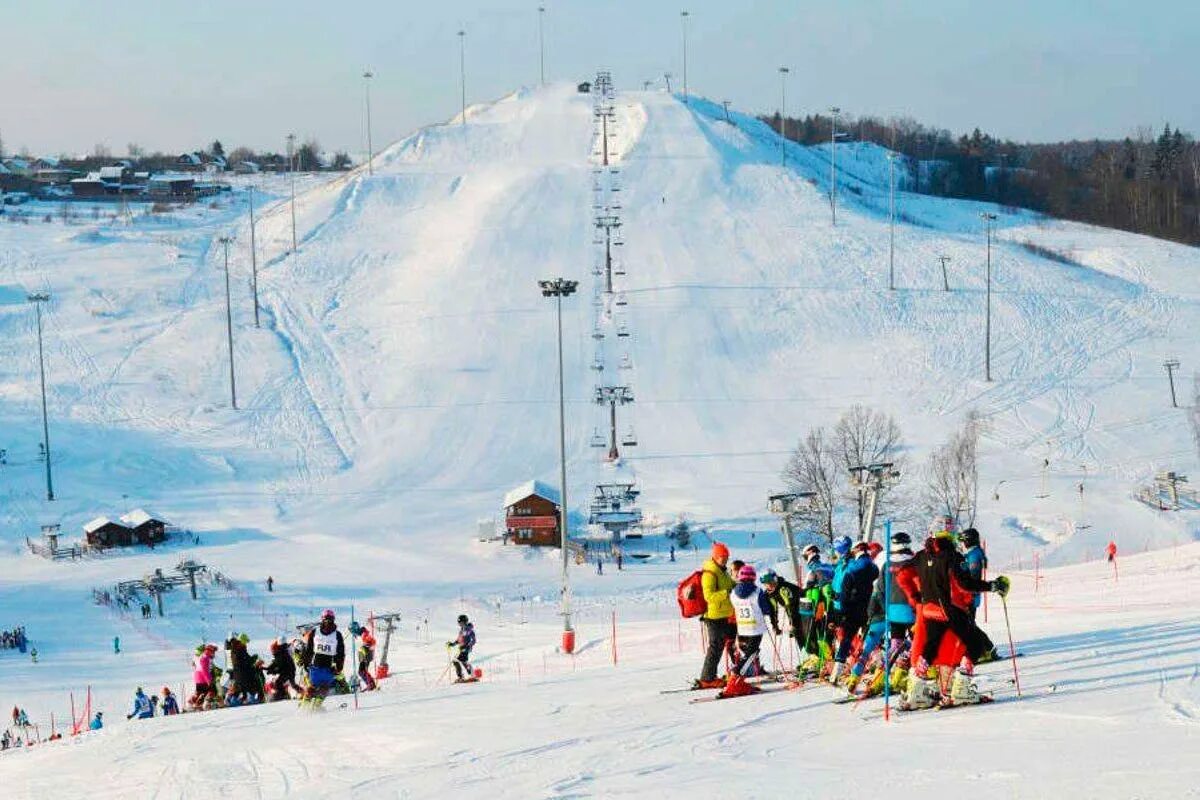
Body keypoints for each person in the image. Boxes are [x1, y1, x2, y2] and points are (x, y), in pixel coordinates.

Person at [909, 528, 1010, 707]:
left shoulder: (921, 556)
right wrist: (992, 586)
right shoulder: (952, 556)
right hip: (949, 609)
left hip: (929, 609)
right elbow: (965, 583)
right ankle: (961, 687)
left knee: (931, 648)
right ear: (948, 537)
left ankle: (917, 688)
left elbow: (905, 572)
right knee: (976, 643)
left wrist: (916, 595)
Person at [830, 541, 880, 685]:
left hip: (852, 607)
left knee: (846, 640)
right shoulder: (872, 566)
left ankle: (836, 674)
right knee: (870, 638)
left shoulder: (851, 566)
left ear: (856, 550)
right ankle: (875, 666)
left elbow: (845, 590)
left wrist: (843, 608)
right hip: (868, 606)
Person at [722, 565, 773, 697]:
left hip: (742, 627)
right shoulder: (757, 592)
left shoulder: (733, 593)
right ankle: (736, 676)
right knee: (751, 654)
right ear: (753, 578)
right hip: (755, 629)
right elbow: (766, 610)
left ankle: (739, 678)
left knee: (747, 654)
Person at [694, 542, 737, 689]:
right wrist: (727, 593)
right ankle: (707, 678)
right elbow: (709, 596)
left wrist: (738, 586)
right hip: (713, 616)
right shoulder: (710, 573)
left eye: (726, 557)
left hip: (723, 614)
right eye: (722, 557)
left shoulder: (722, 571)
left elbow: (731, 584)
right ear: (715, 557)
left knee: (720, 646)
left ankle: (711, 676)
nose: (725, 560)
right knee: (715, 646)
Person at [301, 609, 345, 705]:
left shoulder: (337, 635)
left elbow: (340, 653)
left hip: (328, 667)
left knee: (324, 688)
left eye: (330, 619)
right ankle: (305, 706)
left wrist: (339, 666)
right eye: (326, 619)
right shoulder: (315, 632)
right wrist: (306, 663)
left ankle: (316, 706)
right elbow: (309, 649)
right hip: (316, 666)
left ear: (333, 620)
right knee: (313, 687)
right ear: (322, 619)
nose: (328, 621)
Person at [758, 570, 802, 644]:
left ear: (776, 579)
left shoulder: (784, 588)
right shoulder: (768, 594)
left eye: (771, 582)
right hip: (794, 612)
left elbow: (791, 606)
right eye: (766, 583)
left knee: (801, 634)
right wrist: (775, 627)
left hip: (803, 607)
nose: (769, 585)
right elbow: (772, 610)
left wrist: (793, 624)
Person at [960, 528, 988, 622]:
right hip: (968, 595)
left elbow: (973, 576)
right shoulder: (971, 553)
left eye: (963, 541)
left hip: (970, 596)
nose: (962, 544)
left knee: (968, 624)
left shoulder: (974, 555)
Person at [449, 614, 476, 681]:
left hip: (466, 648)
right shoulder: (462, 630)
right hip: (462, 648)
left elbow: (473, 640)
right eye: (459, 623)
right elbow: (459, 640)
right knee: (463, 661)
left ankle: (463, 676)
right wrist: (453, 644)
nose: (460, 624)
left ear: (465, 622)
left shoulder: (469, 629)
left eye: (461, 622)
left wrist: (467, 646)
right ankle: (471, 675)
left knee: (457, 660)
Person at [192, 643, 217, 709]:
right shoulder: (205, 657)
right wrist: (209, 680)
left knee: (201, 693)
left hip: (199, 678)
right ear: (210, 651)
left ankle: (194, 704)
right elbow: (204, 670)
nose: (214, 654)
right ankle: (205, 705)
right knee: (210, 692)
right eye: (213, 651)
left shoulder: (205, 657)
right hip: (202, 678)